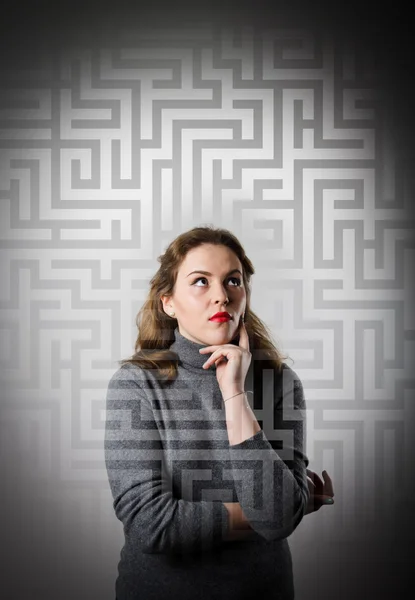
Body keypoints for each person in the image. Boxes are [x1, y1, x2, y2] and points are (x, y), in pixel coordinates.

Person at [104, 226, 334, 600]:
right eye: (200, 281)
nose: (221, 296)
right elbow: (151, 525)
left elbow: (276, 519)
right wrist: (274, 510)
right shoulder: (135, 385)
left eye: (233, 281)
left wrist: (234, 394)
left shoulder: (280, 382)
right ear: (168, 302)